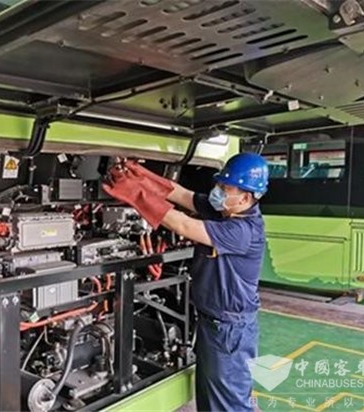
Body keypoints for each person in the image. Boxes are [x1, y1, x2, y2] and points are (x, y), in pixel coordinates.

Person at [103, 153, 269, 412]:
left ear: (245, 198)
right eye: (219, 184)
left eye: (225, 188)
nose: (217, 191)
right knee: (210, 399)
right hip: (215, 325)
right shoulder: (225, 212)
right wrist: (140, 174)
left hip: (229, 332)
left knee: (230, 403)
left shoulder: (243, 231)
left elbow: (183, 225)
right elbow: (180, 194)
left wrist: (137, 194)